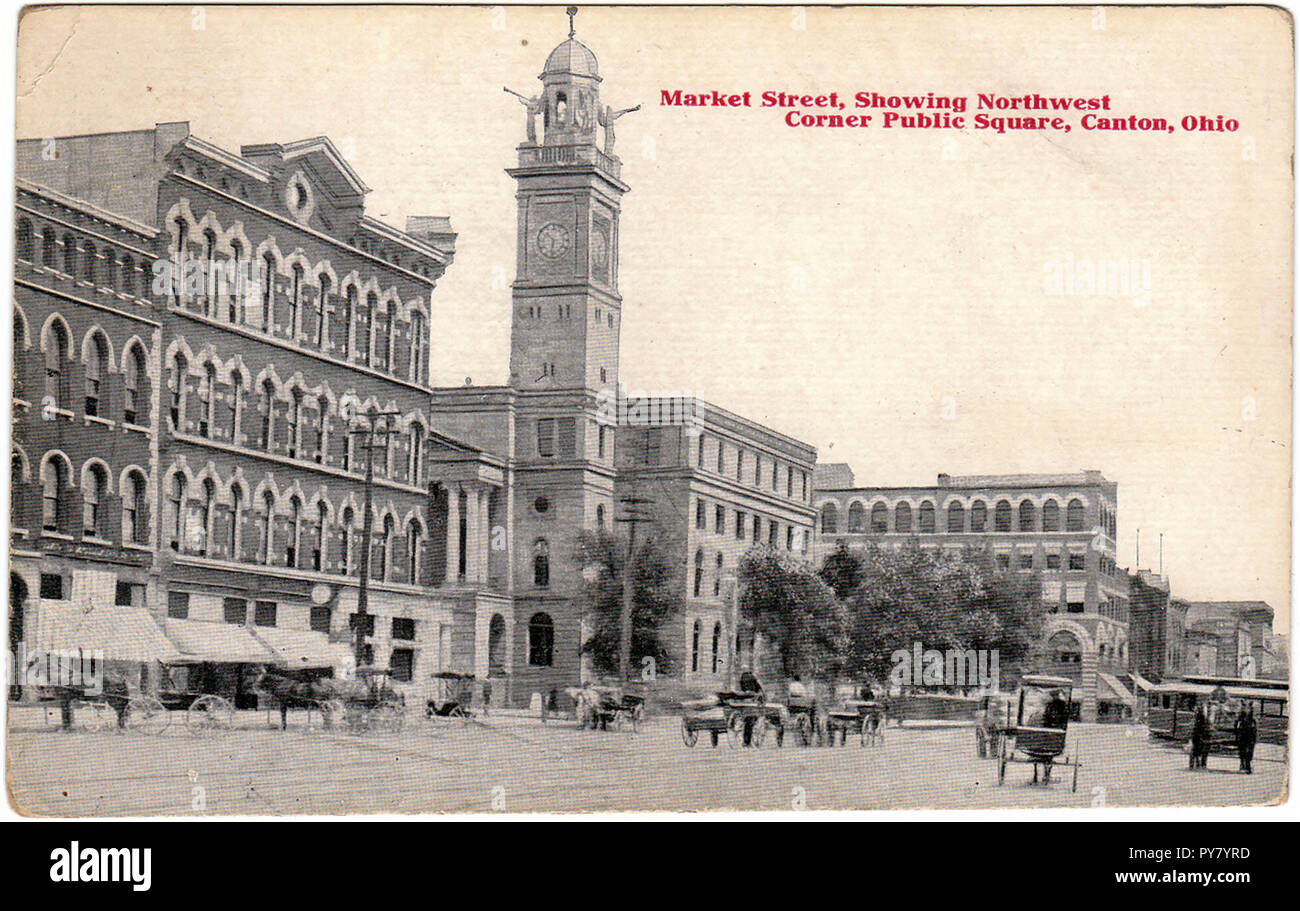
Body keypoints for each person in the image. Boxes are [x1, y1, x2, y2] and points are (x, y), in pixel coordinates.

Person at [1234, 704, 1257, 774]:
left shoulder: (1253, 719)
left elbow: (1255, 727)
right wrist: (1237, 732)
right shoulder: (1241, 718)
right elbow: (1236, 725)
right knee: (1242, 751)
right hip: (1243, 735)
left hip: (1250, 736)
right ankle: (1243, 765)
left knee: (1249, 751)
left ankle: (1248, 766)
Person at [1190, 705, 1210, 770]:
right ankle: (1201, 763)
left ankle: (1198, 763)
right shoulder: (1203, 718)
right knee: (1199, 750)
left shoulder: (1199, 718)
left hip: (1198, 734)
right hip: (1200, 735)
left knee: (1196, 750)